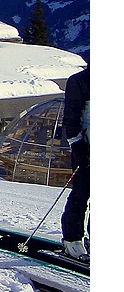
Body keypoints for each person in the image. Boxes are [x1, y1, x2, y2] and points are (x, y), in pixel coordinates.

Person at [60, 66, 89, 262]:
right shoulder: (80, 81)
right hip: (87, 148)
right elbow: (71, 117)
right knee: (82, 192)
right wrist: (77, 145)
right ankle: (72, 240)